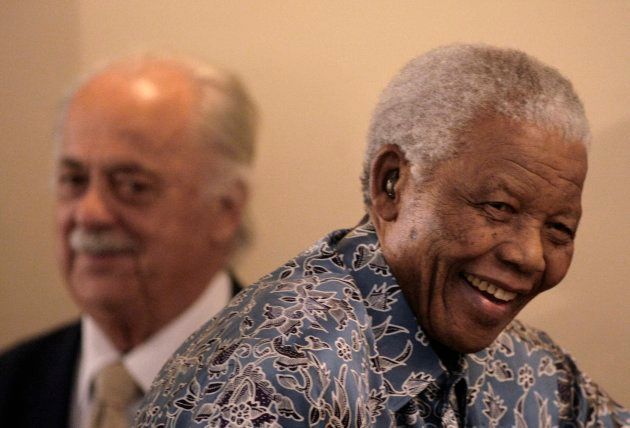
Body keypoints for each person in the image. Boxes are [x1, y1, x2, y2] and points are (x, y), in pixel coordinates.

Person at [137, 45, 629, 427]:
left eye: (560, 230)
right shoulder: (271, 385)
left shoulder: (525, 369)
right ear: (391, 184)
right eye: (499, 208)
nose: (530, 256)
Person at [0, 55, 257, 427]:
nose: (89, 214)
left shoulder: (314, 394)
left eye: (132, 186)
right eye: (74, 180)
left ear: (226, 209)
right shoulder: (12, 383)